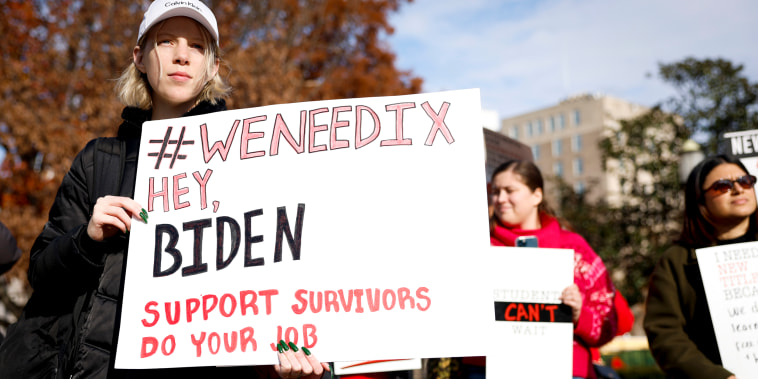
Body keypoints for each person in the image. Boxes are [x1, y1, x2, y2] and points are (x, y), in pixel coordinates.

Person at [0, 1, 328, 378]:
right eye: (167, 41)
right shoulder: (98, 162)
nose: (182, 56)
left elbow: (266, 293)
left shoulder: (250, 170)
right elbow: (41, 275)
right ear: (140, 57)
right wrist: (86, 241)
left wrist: (280, 367)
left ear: (212, 67)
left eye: (198, 47)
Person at [489, 159, 618, 379]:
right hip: (490, 370)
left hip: (566, 370)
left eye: (510, 190)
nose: (500, 199)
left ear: (536, 196)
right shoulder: (480, 248)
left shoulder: (574, 248)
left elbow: (608, 323)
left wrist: (579, 314)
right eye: (495, 191)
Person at [644, 154, 750, 379]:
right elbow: (665, 334)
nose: (739, 189)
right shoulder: (676, 261)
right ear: (699, 200)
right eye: (723, 186)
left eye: (746, 180)